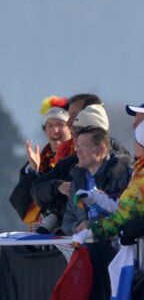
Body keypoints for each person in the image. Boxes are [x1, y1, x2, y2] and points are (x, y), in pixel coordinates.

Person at [10, 99, 72, 229]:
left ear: (71, 129)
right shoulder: (41, 160)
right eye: (49, 125)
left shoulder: (78, 157)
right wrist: (33, 171)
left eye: (60, 124)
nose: (55, 130)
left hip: (66, 231)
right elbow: (20, 202)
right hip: (39, 232)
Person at [60, 127, 133, 236]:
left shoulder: (121, 173)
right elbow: (67, 222)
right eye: (77, 146)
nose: (78, 152)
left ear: (101, 149)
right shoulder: (78, 180)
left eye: (83, 146)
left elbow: (126, 212)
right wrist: (77, 227)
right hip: (89, 245)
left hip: (117, 244)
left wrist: (91, 225)